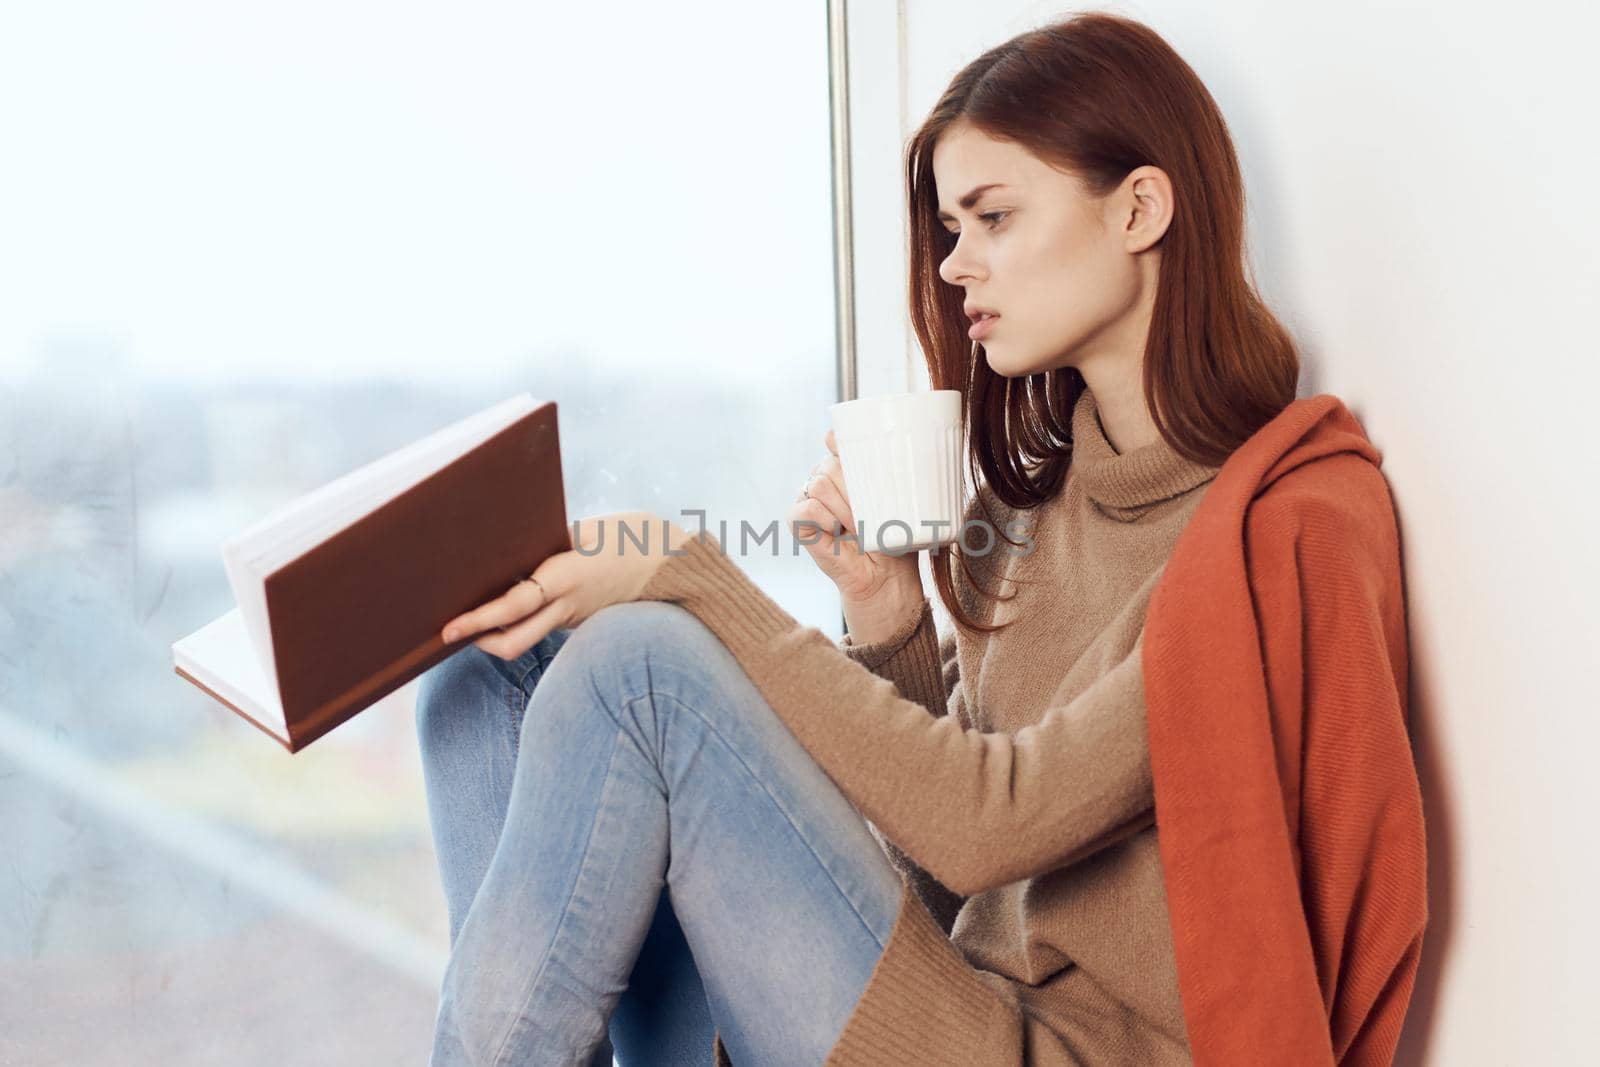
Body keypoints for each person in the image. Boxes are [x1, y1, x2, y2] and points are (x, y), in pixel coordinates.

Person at [413, 11, 1425, 1067]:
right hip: (937, 1001)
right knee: (489, 675)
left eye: (991, 218)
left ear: (1139, 208)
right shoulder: (1024, 510)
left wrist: (696, 576)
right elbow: (958, 882)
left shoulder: (1277, 534)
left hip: (1043, 1052)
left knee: (642, 666)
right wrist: (891, 621)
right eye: (949, 229)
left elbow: (993, 822)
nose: (953, 266)